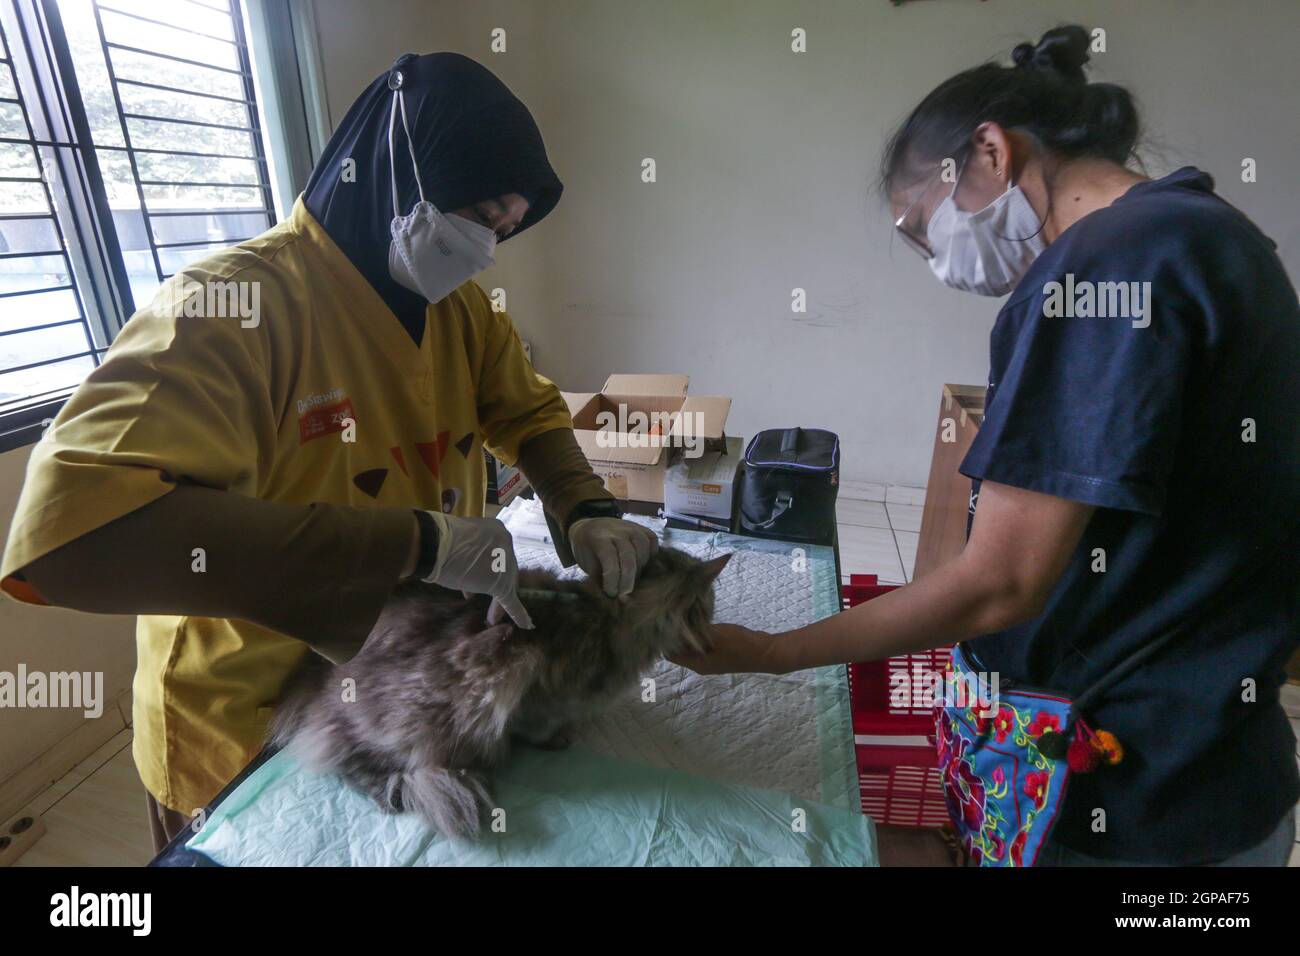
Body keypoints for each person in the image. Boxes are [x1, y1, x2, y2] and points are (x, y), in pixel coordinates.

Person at [674, 26, 1300, 866]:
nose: (936, 258)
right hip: (1219, 765)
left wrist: (773, 653)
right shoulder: (1210, 232)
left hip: (1136, 793)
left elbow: (998, 583)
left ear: (991, 152)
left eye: (920, 227)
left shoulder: (1106, 271)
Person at [0, 52, 656, 851]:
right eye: (480, 215)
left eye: (504, 230)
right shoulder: (231, 310)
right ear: (396, 170)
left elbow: (527, 409)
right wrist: (417, 543)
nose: (486, 246)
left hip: (405, 688)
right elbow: (71, 543)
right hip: (249, 724)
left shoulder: (460, 312)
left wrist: (582, 505)